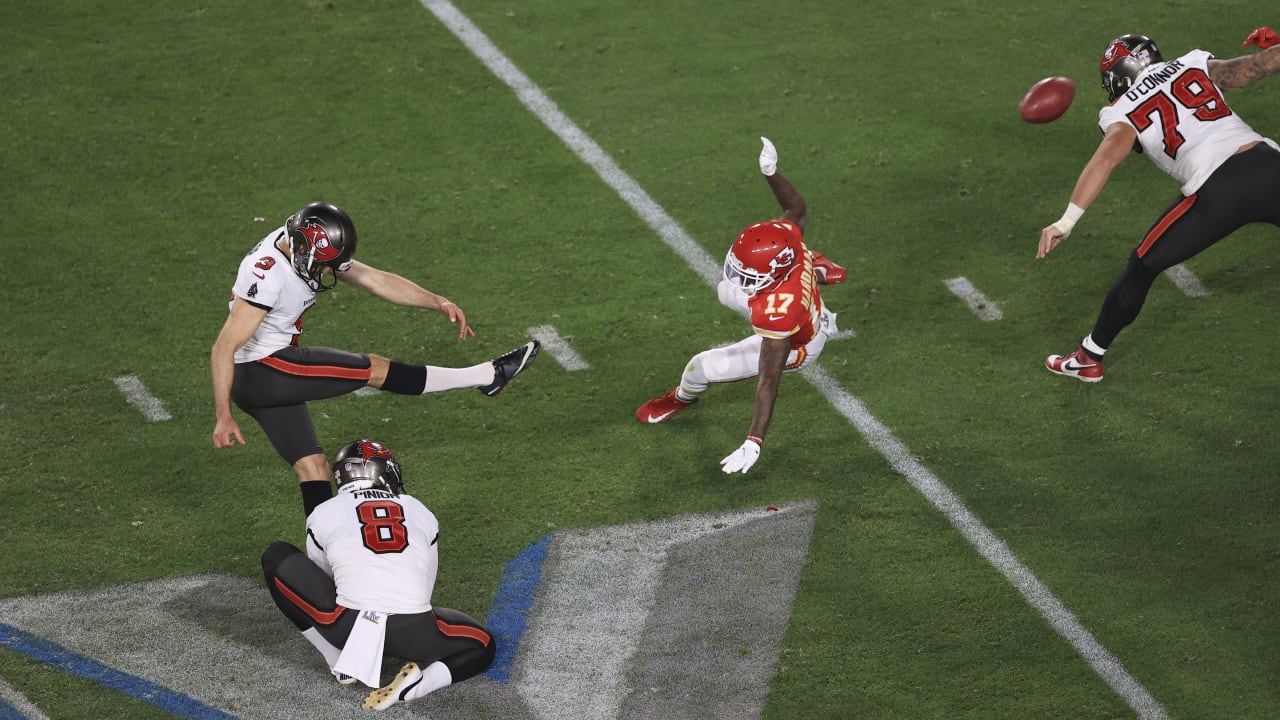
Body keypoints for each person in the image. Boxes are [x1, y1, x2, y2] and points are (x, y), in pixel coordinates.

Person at [211, 201, 540, 514]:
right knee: (374, 369)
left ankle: (322, 550)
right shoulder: (266, 275)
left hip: (263, 374)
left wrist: (436, 301)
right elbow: (223, 347)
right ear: (303, 249)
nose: (328, 271)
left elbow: (373, 279)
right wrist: (223, 416)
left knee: (314, 468)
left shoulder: (300, 245)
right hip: (263, 370)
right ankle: (487, 376)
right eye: (324, 264)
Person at [1038, 29, 1280, 382]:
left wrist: (1066, 221)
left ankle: (1089, 357)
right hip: (1268, 164)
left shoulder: (1120, 110)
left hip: (1218, 190)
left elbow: (1106, 160)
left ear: (1120, 75)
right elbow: (1264, 64)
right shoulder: (1192, 63)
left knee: (1142, 265)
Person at [635, 137, 846, 474]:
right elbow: (796, 210)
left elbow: (768, 379)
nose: (738, 276)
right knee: (726, 291)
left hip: (798, 345)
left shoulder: (777, 312)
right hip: (798, 300)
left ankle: (681, 396)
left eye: (749, 274)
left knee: (702, 366)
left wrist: (754, 440)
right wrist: (771, 172)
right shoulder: (787, 240)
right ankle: (818, 292)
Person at [261, 438, 495, 711]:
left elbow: (323, 578)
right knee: (483, 644)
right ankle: (419, 685)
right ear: (383, 471)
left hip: (343, 626)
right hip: (414, 630)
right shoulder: (419, 509)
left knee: (276, 556)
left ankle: (337, 659)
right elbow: (426, 585)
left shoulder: (323, 512)